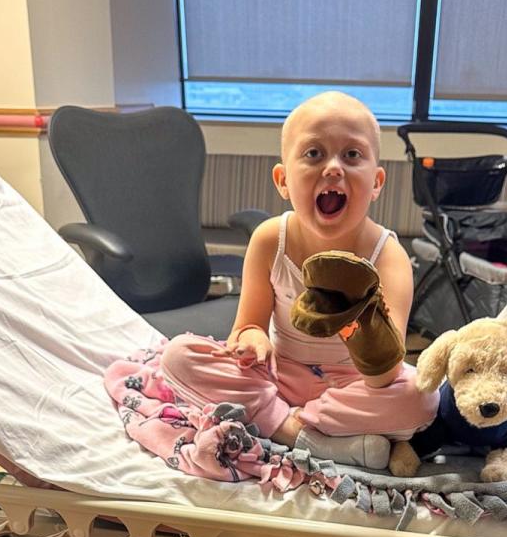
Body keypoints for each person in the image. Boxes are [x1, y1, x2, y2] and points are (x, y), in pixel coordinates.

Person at [160, 91, 439, 469]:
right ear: (283, 180)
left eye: (352, 155)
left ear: (376, 182)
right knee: (178, 356)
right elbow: (246, 327)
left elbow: (387, 371)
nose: (333, 168)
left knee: (421, 399)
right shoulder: (269, 239)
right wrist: (252, 341)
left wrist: (354, 316)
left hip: (351, 387)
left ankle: (286, 424)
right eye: (313, 154)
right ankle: (306, 435)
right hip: (281, 376)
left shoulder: (388, 257)